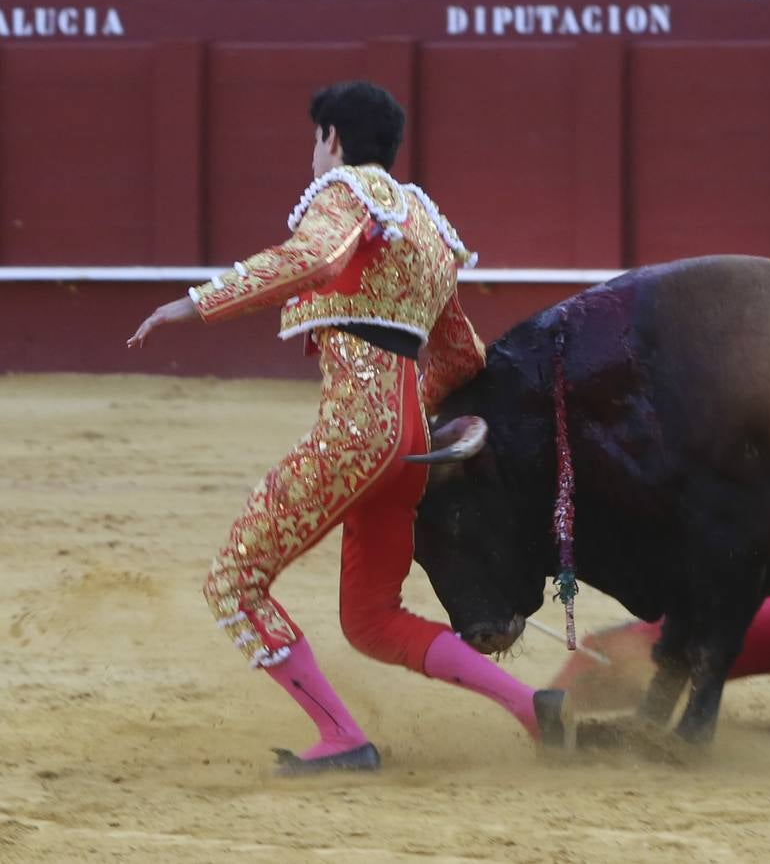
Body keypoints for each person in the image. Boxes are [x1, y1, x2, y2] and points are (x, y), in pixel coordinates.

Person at [127, 81, 573, 775]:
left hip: (355, 436)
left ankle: (341, 738)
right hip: (408, 447)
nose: (312, 155)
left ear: (332, 138)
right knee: (369, 621)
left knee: (234, 583)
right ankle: (528, 706)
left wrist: (194, 304)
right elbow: (460, 355)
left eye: (315, 140)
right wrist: (411, 427)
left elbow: (312, 259)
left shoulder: (344, 194)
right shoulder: (423, 224)